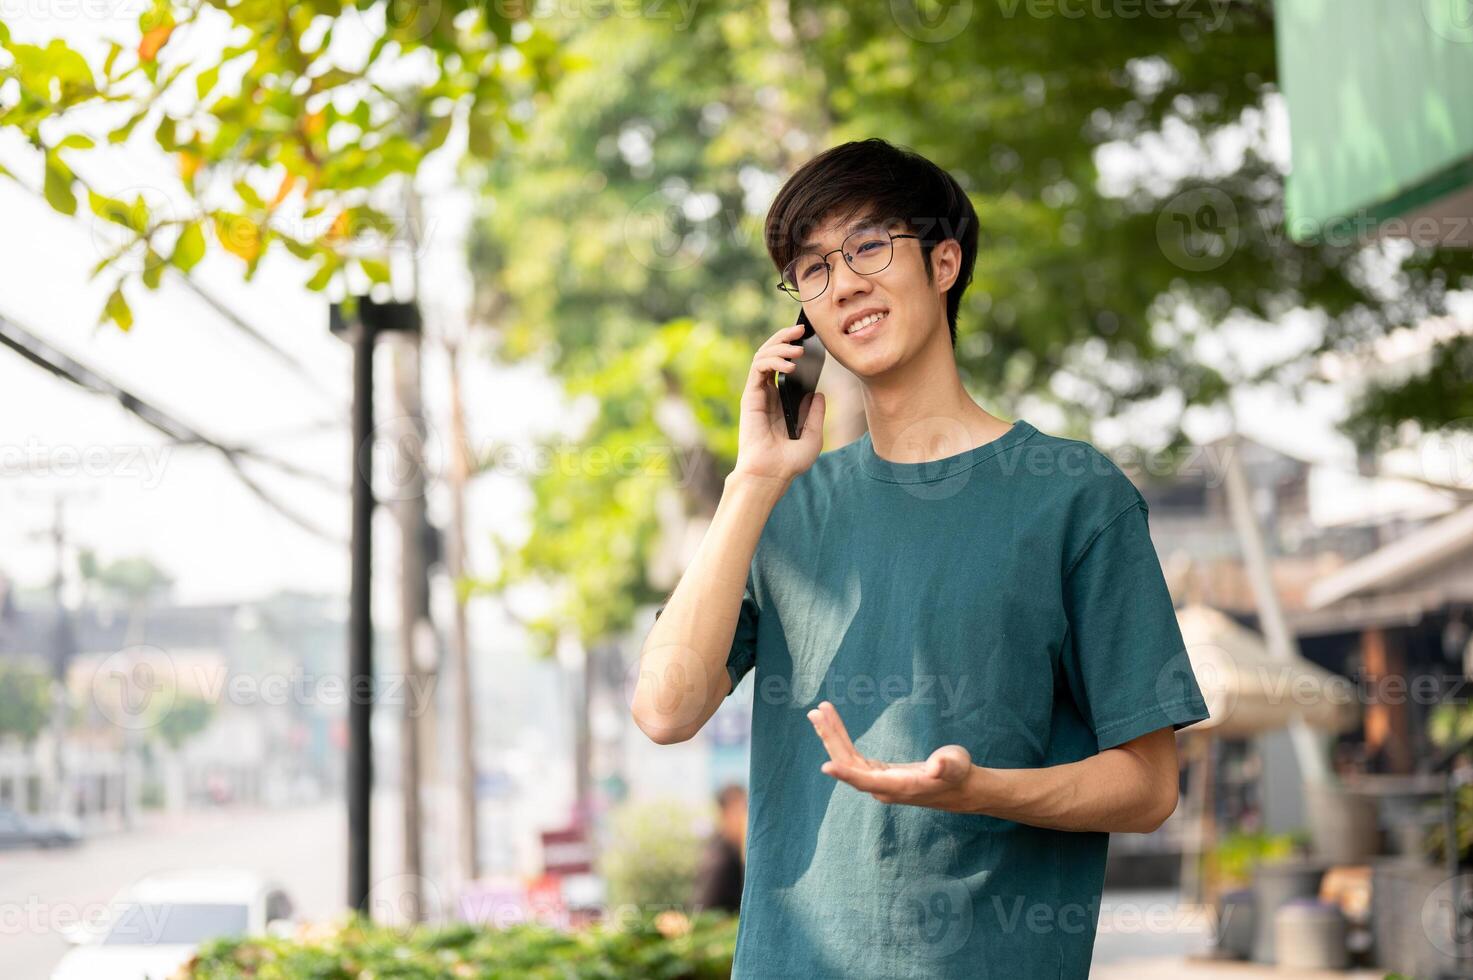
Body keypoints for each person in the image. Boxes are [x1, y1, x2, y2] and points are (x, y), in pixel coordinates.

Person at [632, 138, 1210, 979]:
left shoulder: (1073, 495)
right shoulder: (783, 507)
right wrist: (751, 479)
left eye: (868, 246)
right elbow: (664, 710)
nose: (845, 284)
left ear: (944, 262)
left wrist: (979, 790)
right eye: (813, 268)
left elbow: (1149, 787)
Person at [691, 783, 748, 915]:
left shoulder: (734, 849)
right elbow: (704, 910)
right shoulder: (719, 858)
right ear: (725, 813)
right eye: (742, 809)